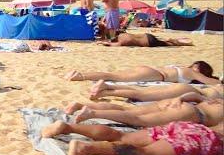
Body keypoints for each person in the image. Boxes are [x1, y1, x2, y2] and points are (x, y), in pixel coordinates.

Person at [41, 119, 223, 155]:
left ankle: (67, 127)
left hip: (193, 128)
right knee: (145, 154)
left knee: (122, 136)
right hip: (207, 143)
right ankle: (86, 148)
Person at [70, 93, 223, 127]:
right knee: (139, 121)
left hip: (183, 105)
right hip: (194, 115)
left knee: (128, 111)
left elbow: (196, 95)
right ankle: (92, 113)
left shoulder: (219, 100)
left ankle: (83, 106)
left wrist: (179, 99)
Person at [64, 61, 220, 85]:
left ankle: (81, 74)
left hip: (149, 69)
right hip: (156, 75)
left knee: (114, 75)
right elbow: (211, 82)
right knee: (113, 76)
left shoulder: (182, 67)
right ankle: (80, 76)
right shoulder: (191, 73)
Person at [86, 80, 224, 102]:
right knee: (142, 95)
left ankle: (107, 86)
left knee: (140, 91)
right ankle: (106, 91)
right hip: (191, 91)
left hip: (188, 88)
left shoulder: (218, 87)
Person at [98, 32, 193, 47]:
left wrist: (103, 43)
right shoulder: (123, 35)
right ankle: (176, 40)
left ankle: (182, 43)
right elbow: (111, 41)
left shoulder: (122, 42)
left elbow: (112, 44)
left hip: (148, 42)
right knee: (163, 41)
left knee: (167, 44)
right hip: (147, 35)